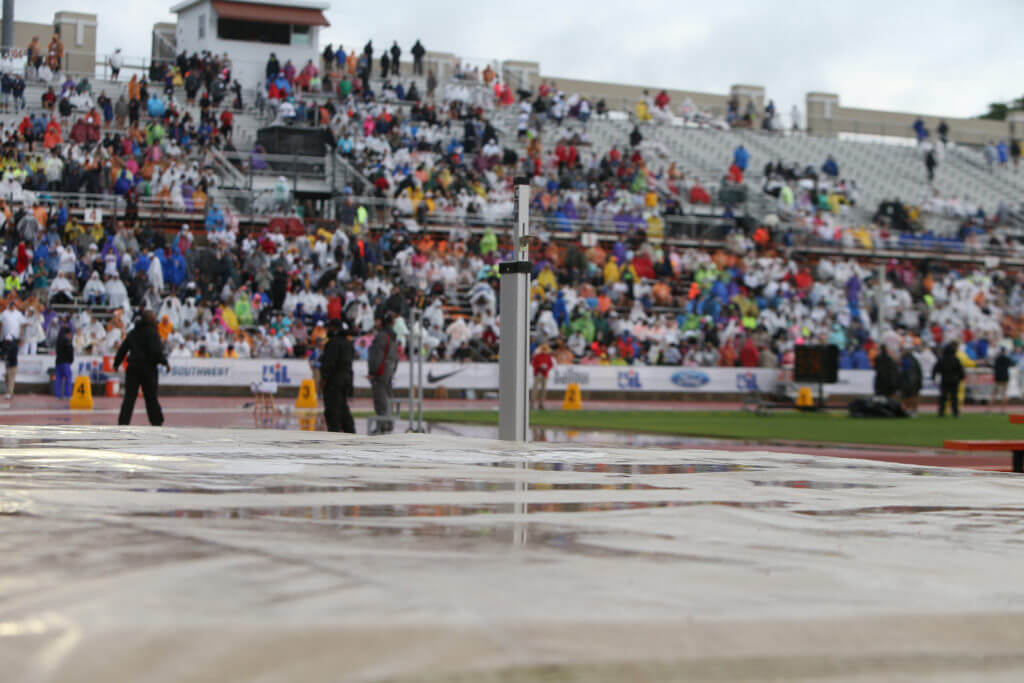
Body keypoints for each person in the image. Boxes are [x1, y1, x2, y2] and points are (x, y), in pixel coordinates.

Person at [114, 310, 169, 426]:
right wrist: (165, 362)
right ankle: (156, 421)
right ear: (150, 319)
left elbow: (123, 349)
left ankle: (123, 422)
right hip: (148, 369)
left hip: (133, 368)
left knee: (129, 398)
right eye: (154, 318)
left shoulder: (134, 332)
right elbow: (157, 352)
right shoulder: (153, 333)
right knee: (151, 397)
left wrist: (116, 363)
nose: (155, 320)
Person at [321, 318, 355, 433]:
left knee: (332, 410)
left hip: (334, 381)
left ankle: (334, 433)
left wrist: (324, 378)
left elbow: (329, 363)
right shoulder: (347, 342)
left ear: (334, 328)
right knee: (343, 408)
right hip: (346, 380)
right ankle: (350, 432)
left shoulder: (333, 343)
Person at [367, 313, 397, 433]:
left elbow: (377, 355)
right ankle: (388, 423)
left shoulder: (382, 336)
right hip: (389, 369)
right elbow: (395, 356)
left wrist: (373, 371)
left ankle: (383, 425)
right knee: (388, 396)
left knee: (380, 398)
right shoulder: (392, 336)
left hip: (381, 370)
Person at [0, 299, 26, 400]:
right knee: (7, 376)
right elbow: (1, 325)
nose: (12, 306)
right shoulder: (4, 313)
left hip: (12, 362)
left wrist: (21, 337)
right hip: (6, 340)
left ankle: (10, 392)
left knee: (11, 375)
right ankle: (10, 391)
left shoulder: (18, 314)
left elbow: (22, 325)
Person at [932, 342, 965, 418]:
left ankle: (941, 412)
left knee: (943, 397)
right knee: (954, 397)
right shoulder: (956, 360)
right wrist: (961, 378)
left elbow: (935, 369)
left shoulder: (942, 359)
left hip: (945, 380)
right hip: (954, 381)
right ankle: (955, 412)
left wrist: (933, 377)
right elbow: (960, 371)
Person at [899, 348, 922, 415]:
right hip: (914, 381)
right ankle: (913, 410)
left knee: (909, 397)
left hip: (910, 382)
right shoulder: (914, 360)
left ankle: (910, 410)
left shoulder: (906, 360)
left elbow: (906, 372)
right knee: (912, 396)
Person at [531, 343, 553, 410]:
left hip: (544, 373)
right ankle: (532, 402)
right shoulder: (537, 356)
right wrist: (539, 366)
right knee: (535, 388)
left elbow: (550, 365)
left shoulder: (548, 356)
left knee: (544, 389)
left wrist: (546, 368)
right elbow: (533, 364)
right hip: (538, 373)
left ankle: (541, 403)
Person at [55, 324, 74, 400]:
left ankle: (58, 395)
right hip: (65, 362)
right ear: (68, 333)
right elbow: (70, 351)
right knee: (68, 378)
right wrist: (71, 360)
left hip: (58, 361)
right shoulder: (67, 341)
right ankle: (67, 394)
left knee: (58, 380)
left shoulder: (58, 340)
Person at [993, 345, 1015, 410]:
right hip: (1005, 377)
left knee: (994, 392)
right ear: (1005, 351)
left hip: (998, 377)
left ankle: (989, 409)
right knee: (1004, 393)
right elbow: (1012, 364)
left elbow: (994, 367)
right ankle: (1003, 409)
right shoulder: (1007, 358)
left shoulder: (997, 358)